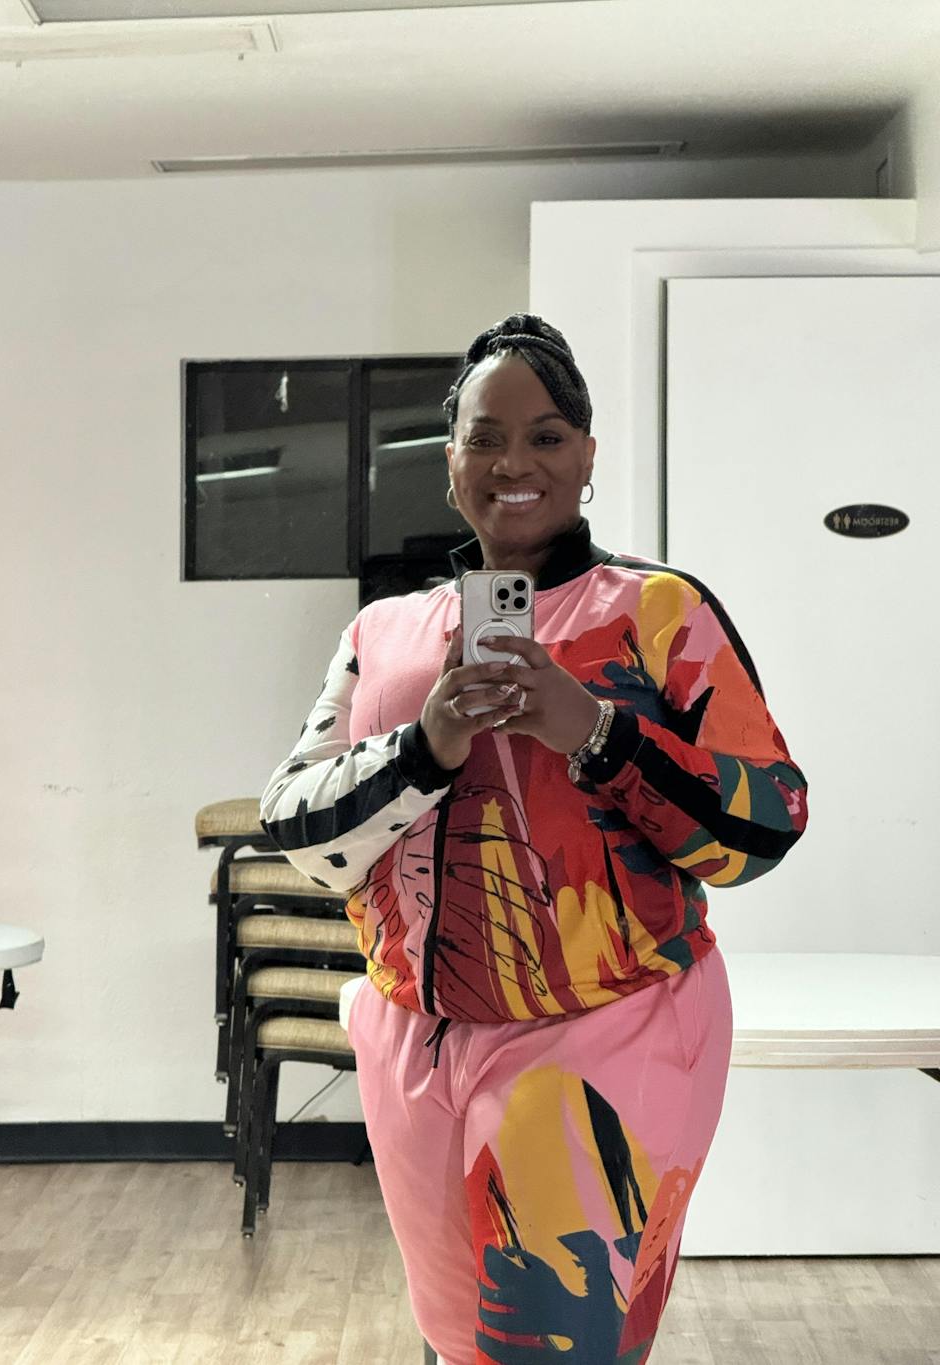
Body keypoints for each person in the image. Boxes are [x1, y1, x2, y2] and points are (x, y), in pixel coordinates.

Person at [260, 314, 808, 1365]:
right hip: (415, 1034)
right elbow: (299, 829)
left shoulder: (657, 611)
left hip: (604, 1031)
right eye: (485, 438)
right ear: (450, 460)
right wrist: (427, 746)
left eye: (546, 436)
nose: (514, 463)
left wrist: (593, 731)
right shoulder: (383, 632)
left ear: (588, 455)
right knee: (455, 1338)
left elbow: (764, 825)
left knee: (554, 1344)